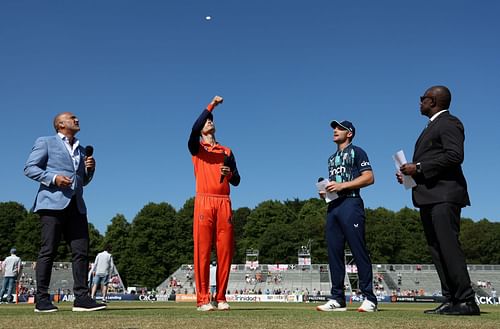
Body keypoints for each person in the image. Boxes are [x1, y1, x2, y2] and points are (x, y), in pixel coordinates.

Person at [397, 86, 479, 316]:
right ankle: (451, 299)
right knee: (436, 249)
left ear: (432, 101)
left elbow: (455, 155)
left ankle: (466, 300)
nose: (419, 102)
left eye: (422, 99)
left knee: (448, 247)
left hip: (444, 195)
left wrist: (419, 167)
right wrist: (411, 174)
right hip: (428, 197)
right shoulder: (431, 126)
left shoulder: (449, 122)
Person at [24, 112, 106, 312]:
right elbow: (29, 168)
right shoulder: (46, 142)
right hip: (52, 204)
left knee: (81, 252)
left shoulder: (80, 149)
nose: (77, 119)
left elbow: (81, 182)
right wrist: (53, 178)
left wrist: (90, 170)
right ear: (60, 124)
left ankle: (82, 298)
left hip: (76, 205)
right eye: (72, 117)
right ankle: (41, 300)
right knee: (48, 251)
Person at [316, 120, 378, 313]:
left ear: (349, 133)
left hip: (351, 204)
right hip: (333, 206)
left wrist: (342, 186)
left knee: (358, 250)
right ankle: (337, 298)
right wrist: (326, 192)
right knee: (334, 253)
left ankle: (369, 298)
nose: (335, 130)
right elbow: (336, 184)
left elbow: (369, 177)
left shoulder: (358, 151)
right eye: (334, 128)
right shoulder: (331, 158)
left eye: (339, 128)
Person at [188, 95, 241, 311]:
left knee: (225, 251)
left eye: (212, 119)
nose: (209, 121)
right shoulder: (197, 148)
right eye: (206, 120)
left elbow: (237, 180)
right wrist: (211, 106)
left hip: (224, 202)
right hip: (204, 201)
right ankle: (202, 299)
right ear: (201, 129)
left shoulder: (227, 151)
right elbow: (193, 128)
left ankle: (220, 297)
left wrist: (229, 175)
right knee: (202, 251)